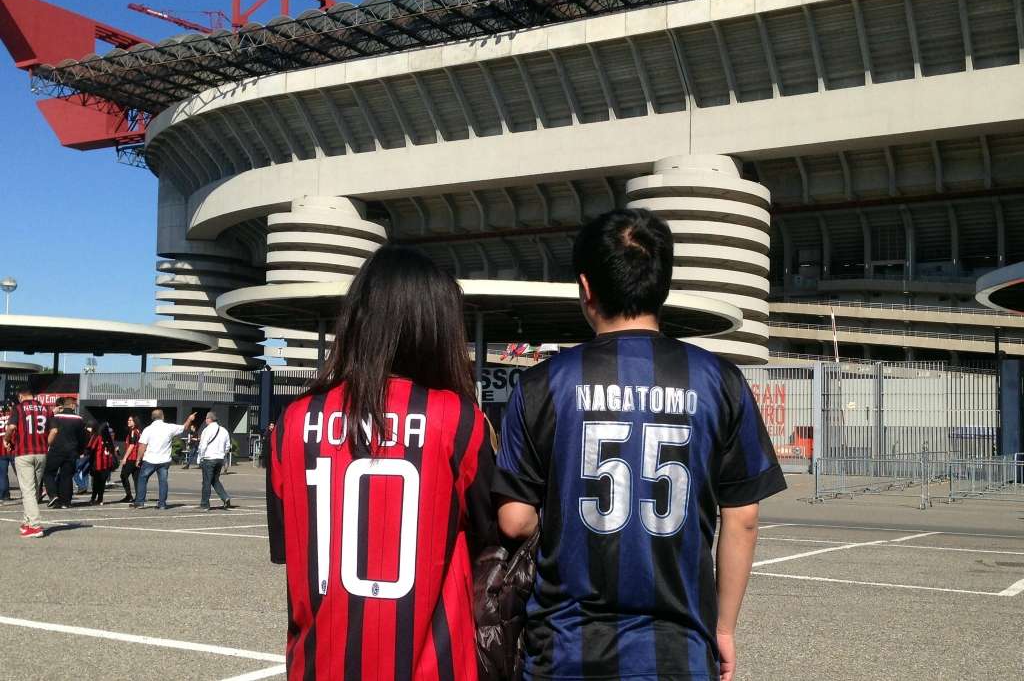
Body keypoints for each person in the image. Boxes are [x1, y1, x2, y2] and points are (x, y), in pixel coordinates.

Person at [493, 209, 787, 681]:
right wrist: (723, 630)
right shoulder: (719, 381)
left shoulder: (541, 385)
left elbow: (515, 519)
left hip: (565, 647)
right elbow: (743, 518)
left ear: (586, 288)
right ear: (662, 285)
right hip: (679, 649)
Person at [267, 245, 497, 680]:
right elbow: (494, 538)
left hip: (319, 665)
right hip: (434, 667)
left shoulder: (292, 422)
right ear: (435, 328)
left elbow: (288, 550)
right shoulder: (459, 420)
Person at [4, 387, 50, 538]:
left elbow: (11, 427)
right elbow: (54, 430)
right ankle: (28, 521)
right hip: (41, 452)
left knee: (28, 490)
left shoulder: (18, 408)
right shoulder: (44, 408)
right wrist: (45, 444)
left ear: (20, 396)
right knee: (34, 489)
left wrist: (7, 440)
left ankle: (35, 526)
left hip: (24, 452)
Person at [133, 409, 198, 510]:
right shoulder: (169, 427)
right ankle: (162, 504)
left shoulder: (148, 429)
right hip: (164, 460)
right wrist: (190, 419)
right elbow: (184, 427)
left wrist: (138, 459)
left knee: (142, 479)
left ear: (152, 418)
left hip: (150, 459)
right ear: (162, 417)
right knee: (163, 482)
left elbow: (142, 446)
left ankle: (140, 502)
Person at [43, 399, 90, 509]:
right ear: (72, 406)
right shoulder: (79, 419)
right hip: (71, 451)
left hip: (56, 450)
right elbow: (83, 437)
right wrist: (81, 451)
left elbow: (49, 432)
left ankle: (53, 495)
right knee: (67, 476)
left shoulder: (55, 417)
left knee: (48, 473)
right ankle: (66, 502)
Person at [196, 412, 232, 511]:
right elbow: (228, 445)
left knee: (206, 482)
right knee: (215, 480)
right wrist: (223, 455)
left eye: (206, 418)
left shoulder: (207, 430)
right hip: (219, 458)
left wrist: (200, 457)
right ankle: (225, 497)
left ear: (209, 419)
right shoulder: (224, 430)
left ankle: (205, 503)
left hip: (209, 458)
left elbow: (203, 445)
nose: (205, 420)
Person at [86, 422, 116, 505]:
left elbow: (91, 448)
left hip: (97, 463)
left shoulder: (97, 437)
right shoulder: (109, 439)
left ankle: (93, 498)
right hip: (107, 464)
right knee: (102, 483)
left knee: (96, 482)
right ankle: (100, 499)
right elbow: (112, 451)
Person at [118, 415, 142, 503]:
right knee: (136, 478)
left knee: (123, 476)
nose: (128, 421)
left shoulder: (133, 432)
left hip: (132, 458)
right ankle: (138, 497)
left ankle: (129, 496)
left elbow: (132, 445)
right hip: (138, 459)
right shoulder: (139, 431)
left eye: (130, 420)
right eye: (128, 420)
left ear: (135, 422)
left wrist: (124, 458)